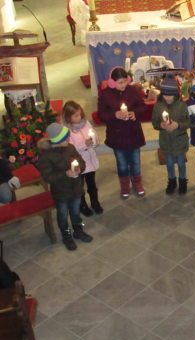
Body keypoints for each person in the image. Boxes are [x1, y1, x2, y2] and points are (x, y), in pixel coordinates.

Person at [37, 123, 93, 251]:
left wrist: (79, 167)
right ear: (57, 140)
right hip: (61, 192)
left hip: (76, 188)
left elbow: (81, 162)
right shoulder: (46, 156)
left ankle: (78, 230)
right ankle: (66, 235)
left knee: (75, 212)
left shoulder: (70, 148)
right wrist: (66, 174)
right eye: (66, 138)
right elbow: (48, 177)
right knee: (63, 216)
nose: (69, 140)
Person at [97, 66, 147, 199]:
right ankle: (124, 185)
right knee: (122, 163)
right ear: (112, 82)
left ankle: (137, 182)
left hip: (133, 133)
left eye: (125, 81)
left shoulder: (132, 90)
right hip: (117, 135)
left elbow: (142, 106)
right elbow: (102, 114)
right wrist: (115, 115)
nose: (124, 85)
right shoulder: (105, 94)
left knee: (136, 161)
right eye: (120, 82)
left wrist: (134, 112)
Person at [63, 100, 103, 217]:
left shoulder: (86, 124)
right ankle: (83, 205)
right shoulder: (67, 131)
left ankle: (95, 203)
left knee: (92, 185)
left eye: (80, 114)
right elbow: (70, 149)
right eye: (76, 116)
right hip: (79, 163)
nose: (79, 117)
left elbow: (94, 136)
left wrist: (94, 141)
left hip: (90, 161)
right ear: (68, 117)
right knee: (79, 186)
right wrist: (84, 144)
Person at [152, 76, 190, 195]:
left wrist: (177, 125)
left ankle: (183, 181)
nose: (167, 97)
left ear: (176, 94)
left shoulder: (182, 105)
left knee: (181, 163)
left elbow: (188, 122)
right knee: (169, 163)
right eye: (165, 95)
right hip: (166, 141)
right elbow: (154, 122)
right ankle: (172, 181)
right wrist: (161, 125)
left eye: (170, 95)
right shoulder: (158, 106)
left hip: (179, 139)